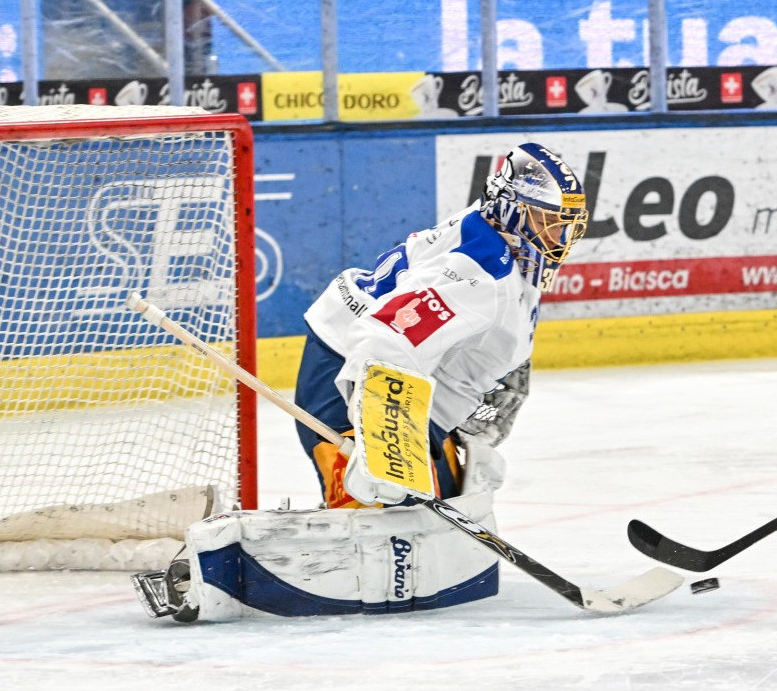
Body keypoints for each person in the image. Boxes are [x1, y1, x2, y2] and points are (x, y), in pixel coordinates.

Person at [134, 145, 588, 623]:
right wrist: (382, 445)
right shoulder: (479, 274)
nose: (560, 238)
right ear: (514, 211)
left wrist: (459, 432)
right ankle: (210, 570)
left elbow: (480, 343)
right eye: (548, 221)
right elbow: (385, 340)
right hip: (345, 380)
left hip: (405, 389)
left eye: (566, 226)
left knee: (439, 507)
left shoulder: (507, 244)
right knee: (375, 519)